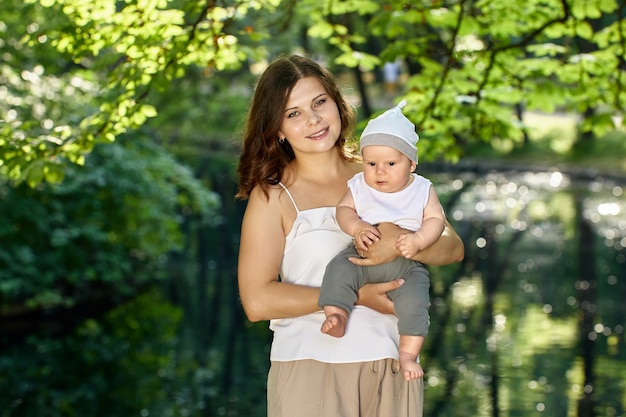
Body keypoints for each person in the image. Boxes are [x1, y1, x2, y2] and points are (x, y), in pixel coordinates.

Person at [236, 54, 464, 417]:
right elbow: (257, 301)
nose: (313, 120)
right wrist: (356, 296)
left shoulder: (381, 173)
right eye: (293, 113)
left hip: (392, 368)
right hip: (311, 369)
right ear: (277, 128)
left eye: (319, 102)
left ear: (337, 103)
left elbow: (452, 248)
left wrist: (405, 241)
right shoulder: (274, 196)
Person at [318, 100, 445, 381]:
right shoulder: (359, 186)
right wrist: (358, 227)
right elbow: (344, 209)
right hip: (361, 256)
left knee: (416, 301)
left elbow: (436, 220)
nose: (379, 171)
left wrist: (419, 240)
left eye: (390, 163)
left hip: (406, 264)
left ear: (411, 163)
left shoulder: (422, 189)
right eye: (371, 163)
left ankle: (408, 353)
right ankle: (336, 315)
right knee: (338, 270)